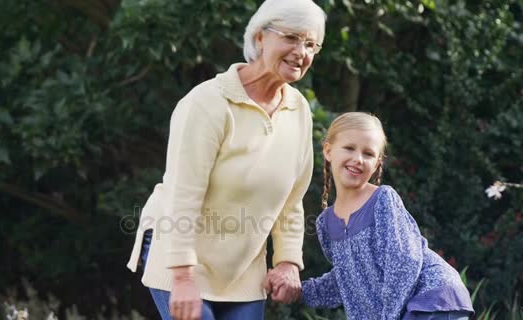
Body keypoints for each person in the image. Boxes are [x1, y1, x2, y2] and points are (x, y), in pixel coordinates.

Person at [125, 0, 327, 319]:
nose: (301, 52)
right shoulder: (207, 104)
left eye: (311, 44)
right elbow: (183, 195)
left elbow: (292, 200)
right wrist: (181, 276)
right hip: (179, 254)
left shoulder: (299, 111)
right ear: (260, 37)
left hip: (243, 270)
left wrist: (288, 261)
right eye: (291, 37)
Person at [266, 112, 474, 319]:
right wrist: (300, 290)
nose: (358, 159)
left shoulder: (382, 200)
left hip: (431, 298)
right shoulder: (325, 224)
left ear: (376, 164)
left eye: (368, 154)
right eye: (349, 148)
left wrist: (387, 317)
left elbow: (403, 262)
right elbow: (348, 279)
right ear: (328, 151)